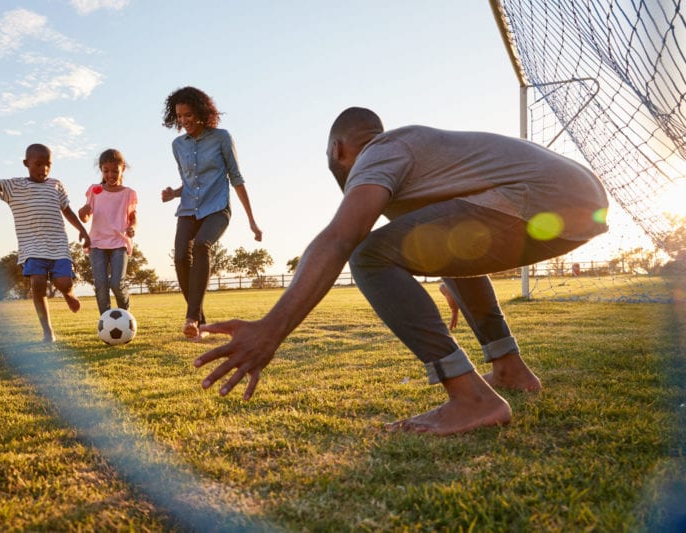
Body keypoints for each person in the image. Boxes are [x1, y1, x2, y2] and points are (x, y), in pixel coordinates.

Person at [193, 107, 609, 436]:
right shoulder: (415, 160)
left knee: (368, 255)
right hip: (578, 203)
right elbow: (455, 235)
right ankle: (510, 370)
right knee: (423, 249)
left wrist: (271, 329)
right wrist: (452, 272)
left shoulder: (382, 150)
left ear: (339, 149)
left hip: (544, 197)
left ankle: (472, 400)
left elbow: (341, 237)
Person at [161, 86, 263, 341]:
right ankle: (199, 322)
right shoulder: (178, 145)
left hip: (217, 208)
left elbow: (236, 178)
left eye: (188, 115)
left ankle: (191, 317)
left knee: (202, 246)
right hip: (188, 209)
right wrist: (173, 193)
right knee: (181, 256)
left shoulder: (221, 138)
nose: (183, 121)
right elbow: (191, 182)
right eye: (179, 116)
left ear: (201, 113)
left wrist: (251, 220)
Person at [0, 132, 90, 343]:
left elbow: (67, 210)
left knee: (63, 282)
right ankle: (47, 331)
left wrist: (82, 230)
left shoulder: (56, 185)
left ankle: (69, 293)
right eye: (38, 164)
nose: (44, 169)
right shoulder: (14, 186)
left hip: (58, 246)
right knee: (37, 283)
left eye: (48, 164)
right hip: (32, 247)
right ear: (26, 163)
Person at [78, 149, 138, 317]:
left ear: (123, 169)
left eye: (115, 171)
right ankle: (106, 319)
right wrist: (83, 211)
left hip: (120, 243)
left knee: (117, 283)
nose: (110, 174)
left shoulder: (128, 194)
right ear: (101, 169)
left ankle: (125, 317)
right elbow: (85, 217)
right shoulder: (95, 190)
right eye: (106, 171)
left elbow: (133, 217)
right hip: (97, 243)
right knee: (101, 284)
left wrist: (132, 227)